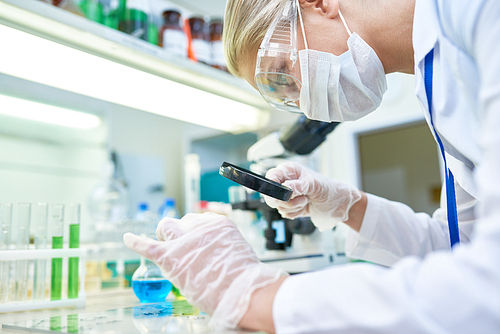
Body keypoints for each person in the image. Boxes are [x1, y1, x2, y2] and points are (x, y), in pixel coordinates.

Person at [123, 0, 500, 332]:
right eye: (282, 96)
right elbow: (456, 246)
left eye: (283, 73)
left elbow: (488, 288)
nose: (303, 103)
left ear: (319, 3)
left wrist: (261, 298)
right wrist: (347, 205)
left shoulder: (478, 13)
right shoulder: (435, 78)